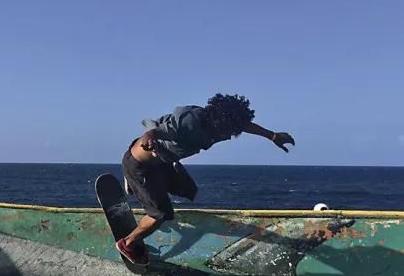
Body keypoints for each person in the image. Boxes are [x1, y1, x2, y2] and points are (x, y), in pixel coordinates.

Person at [117, 94, 295, 266]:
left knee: (187, 189)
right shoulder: (189, 123)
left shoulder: (221, 123)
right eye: (229, 132)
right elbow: (153, 132)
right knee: (161, 214)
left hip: (163, 162)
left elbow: (245, 126)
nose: (229, 136)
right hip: (139, 165)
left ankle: (139, 187)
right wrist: (148, 142)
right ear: (220, 123)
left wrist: (273, 136)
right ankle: (128, 243)